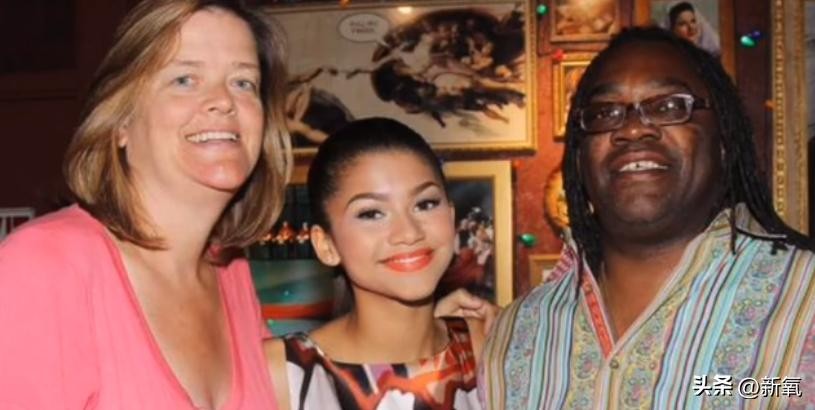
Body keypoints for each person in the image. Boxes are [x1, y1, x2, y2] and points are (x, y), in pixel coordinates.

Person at [479, 27, 815, 409]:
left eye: (669, 106)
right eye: (605, 113)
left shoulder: (804, 300)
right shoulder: (514, 335)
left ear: (724, 141)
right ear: (579, 158)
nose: (633, 128)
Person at [0, 1, 294, 408]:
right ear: (121, 122)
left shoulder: (231, 272)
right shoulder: (44, 265)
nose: (223, 101)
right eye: (185, 79)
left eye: (243, 82)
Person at [264, 117, 486, 409]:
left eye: (425, 204)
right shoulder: (283, 374)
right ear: (326, 245)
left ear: (451, 215)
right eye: (371, 213)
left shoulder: (487, 348)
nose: (409, 233)